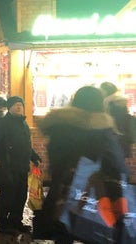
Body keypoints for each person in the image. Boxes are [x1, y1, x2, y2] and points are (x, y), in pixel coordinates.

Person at [38, 86, 130, 242]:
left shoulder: (60, 126)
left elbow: (55, 158)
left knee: (63, 231)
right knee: (95, 231)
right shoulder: (103, 127)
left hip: (64, 187)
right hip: (94, 191)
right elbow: (115, 163)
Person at [0, 96, 41, 235]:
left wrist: (34, 157)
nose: (18, 107)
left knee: (20, 196)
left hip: (22, 167)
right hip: (7, 166)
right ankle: (3, 224)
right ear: (9, 107)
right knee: (7, 196)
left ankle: (16, 221)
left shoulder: (23, 124)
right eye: (15, 105)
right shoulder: (2, 123)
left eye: (20, 105)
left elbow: (26, 144)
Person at [100, 82, 134, 158]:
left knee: (113, 157)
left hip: (114, 132)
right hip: (123, 132)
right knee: (121, 157)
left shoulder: (107, 102)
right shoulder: (120, 101)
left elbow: (109, 119)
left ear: (105, 90)